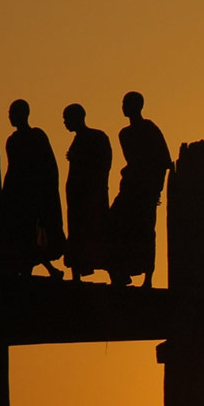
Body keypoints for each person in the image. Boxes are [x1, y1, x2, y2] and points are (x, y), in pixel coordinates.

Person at [110, 90, 172, 288]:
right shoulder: (124, 134)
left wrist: (157, 190)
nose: (123, 107)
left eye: (127, 103)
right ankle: (120, 272)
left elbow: (164, 161)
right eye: (123, 102)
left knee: (145, 231)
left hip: (145, 190)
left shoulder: (149, 128)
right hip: (130, 188)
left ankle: (148, 278)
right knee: (115, 225)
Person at [2, 99, 65, 278]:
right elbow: (12, 168)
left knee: (32, 232)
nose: (10, 117)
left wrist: (45, 193)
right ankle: (46, 269)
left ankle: (43, 269)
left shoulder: (36, 136)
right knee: (23, 233)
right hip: (18, 193)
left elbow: (48, 166)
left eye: (12, 113)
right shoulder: (12, 140)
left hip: (34, 193)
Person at [61, 103, 112, 281]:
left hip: (91, 197)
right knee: (77, 234)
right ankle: (76, 273)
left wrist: (80, 159)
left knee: (97, 232)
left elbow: (103, 164)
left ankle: (113, 272)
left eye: (67, 119)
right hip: (77, 198)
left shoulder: (96, 137)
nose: (65, 123)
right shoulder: (80, 139)